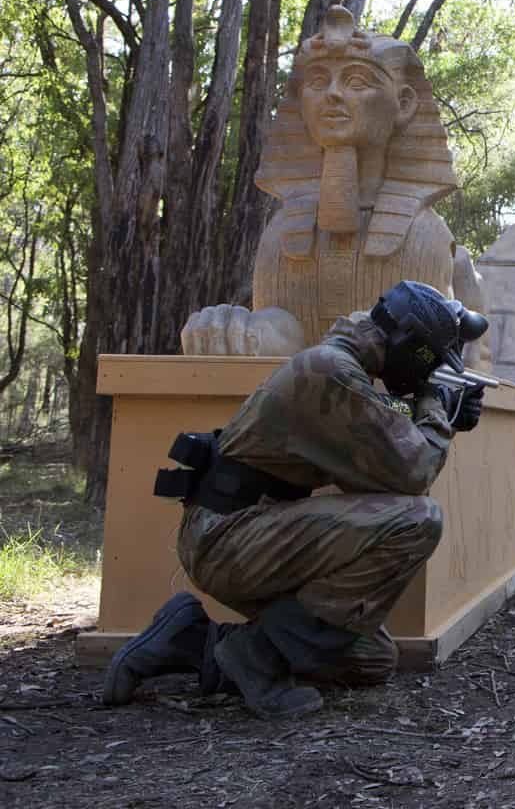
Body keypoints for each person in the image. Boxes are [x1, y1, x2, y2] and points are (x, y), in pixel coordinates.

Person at [102, 280, 488, 720]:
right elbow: (414, 474)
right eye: (430, 359)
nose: (428, 370)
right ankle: (255, 658)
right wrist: (435, 407)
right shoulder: (330, 371)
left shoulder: (339, 370)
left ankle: (193, 640)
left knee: (370, 659)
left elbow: (381, 420)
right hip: (228, 538)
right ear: (409, 343)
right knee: (418, 519)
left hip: (252, 533)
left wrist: (442, 412)